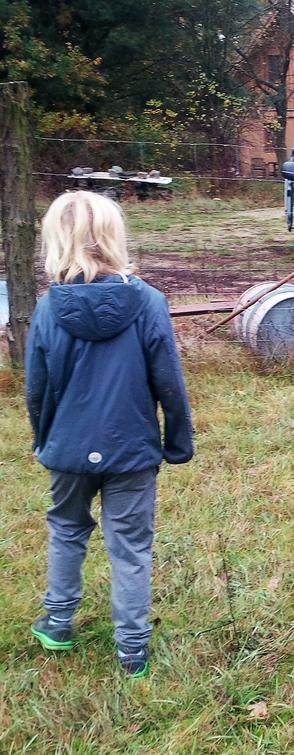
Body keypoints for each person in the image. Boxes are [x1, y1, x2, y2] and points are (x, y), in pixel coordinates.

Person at [25, 191, 193, 677]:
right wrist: (177, 440)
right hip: (132, 450)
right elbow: (169, 381)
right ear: (112, 236)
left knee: (65, 528)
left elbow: (36, 389)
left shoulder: (46, 309)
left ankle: (57, 622)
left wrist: (46, 439)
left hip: (68, 449)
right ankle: (132, 649)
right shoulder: (148, 302)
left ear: (56, 240)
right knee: (131, 545)